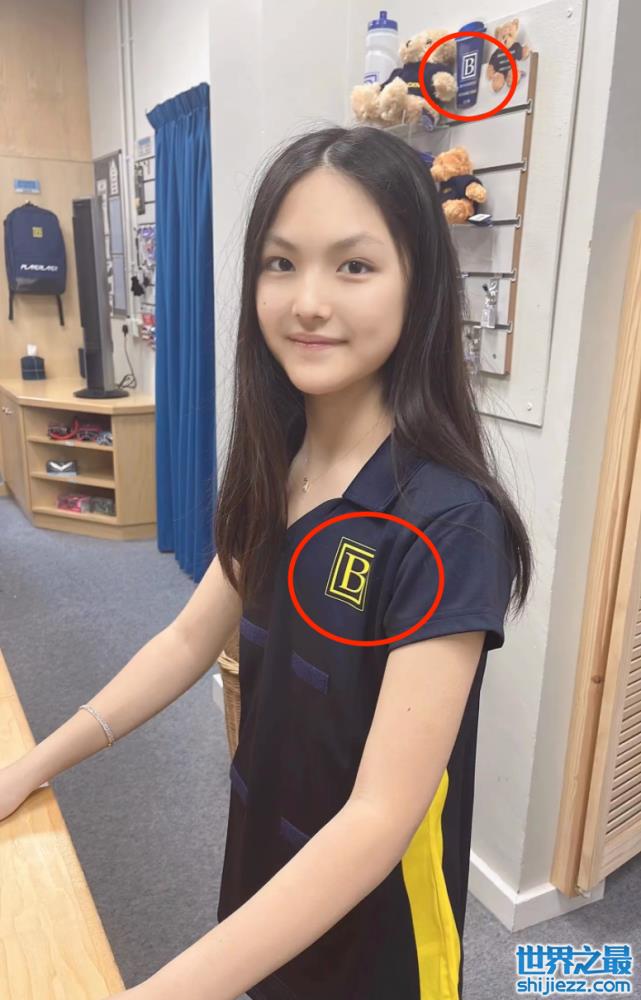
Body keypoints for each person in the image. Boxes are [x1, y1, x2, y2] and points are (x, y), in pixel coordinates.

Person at [0, 124, 533, 1000]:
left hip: (379, 930)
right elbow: (185, 642)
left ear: (419, 287)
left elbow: (377, 821)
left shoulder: (449, 523)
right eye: (280, 264)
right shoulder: (277, 458)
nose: (307, 302)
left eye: (353, 266)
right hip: (265, 861)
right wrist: (31, 765)